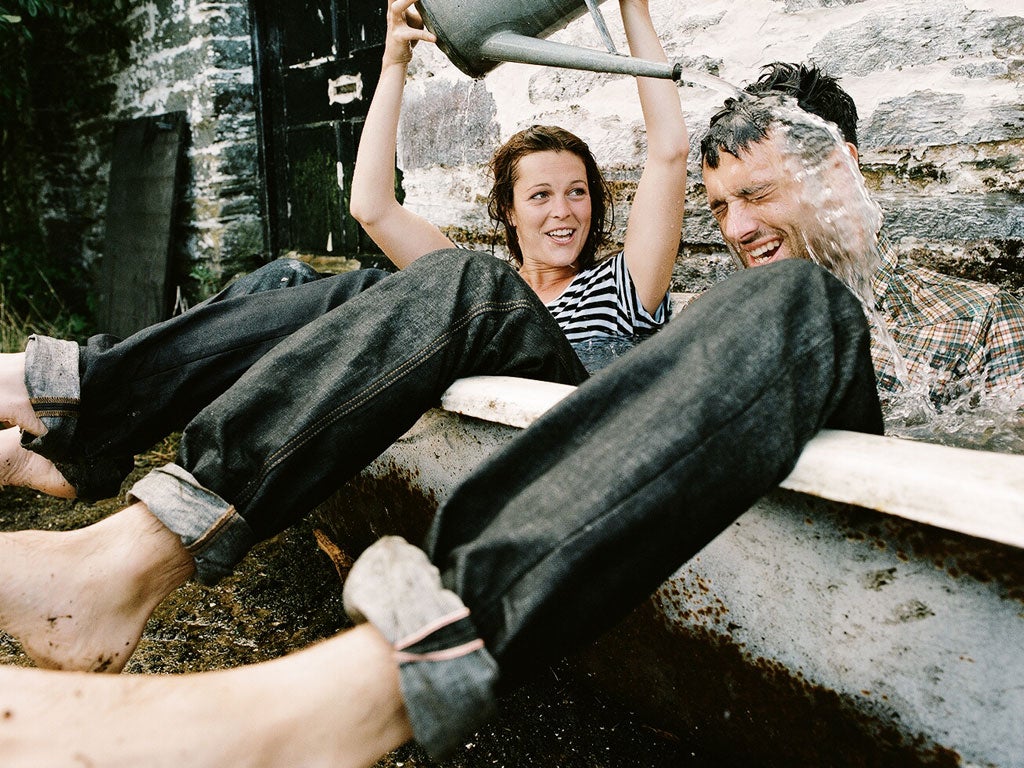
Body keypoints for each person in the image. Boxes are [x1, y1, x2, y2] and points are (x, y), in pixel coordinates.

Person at [0, 0, 685, 669]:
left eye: (578, 192)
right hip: (477, 313)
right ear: (508, 211)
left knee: (466, 282)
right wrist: (393, 60)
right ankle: (84, 436)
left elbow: (669, 154)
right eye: (541, 195)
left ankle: (75, 401)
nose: (564, 211)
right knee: (293, 281)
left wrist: (634, 7)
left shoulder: (621, 285)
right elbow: (371, 206)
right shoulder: (468, 289)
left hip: (567, 419)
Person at [707, 62, 1024, 399]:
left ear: (836, 170)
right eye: (721, 208)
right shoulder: (715, 329)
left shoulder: (978, 323)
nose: (735, 230)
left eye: (757, 194)